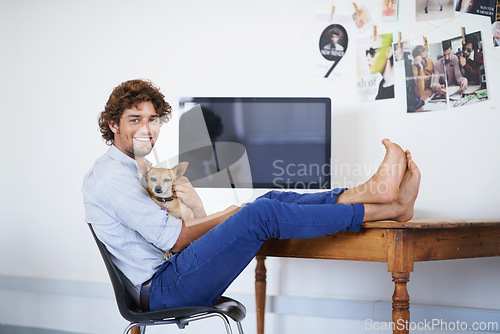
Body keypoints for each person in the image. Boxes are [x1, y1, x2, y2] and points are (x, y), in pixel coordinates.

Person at [82, 79, 420, 311]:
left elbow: (178, 232)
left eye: (153, 119)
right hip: (163, 290)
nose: (147, 129)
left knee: (269, 201)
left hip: (172, 276)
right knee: (259, 213)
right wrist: (231, 213)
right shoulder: (111, 176)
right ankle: (383, 206)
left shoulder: (136, 168)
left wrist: (204, 207)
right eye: (134, 119)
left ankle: (374, 193)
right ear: (114, 124)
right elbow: (176, 240)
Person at [366, 33, 395, 100]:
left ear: (389, 52)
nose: (368, 57)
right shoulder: (382, 85)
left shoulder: (400, 86)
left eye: (372, 52)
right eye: (367, 53)